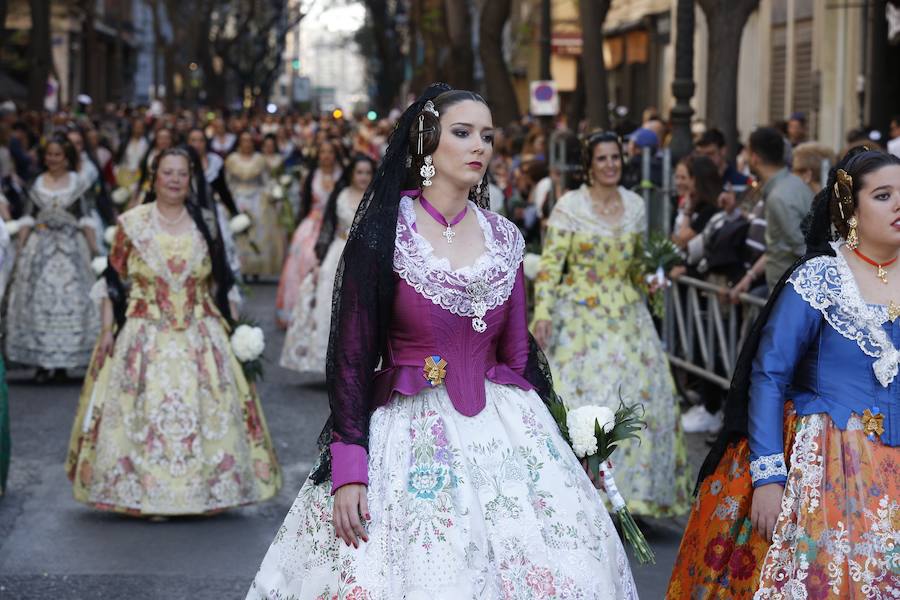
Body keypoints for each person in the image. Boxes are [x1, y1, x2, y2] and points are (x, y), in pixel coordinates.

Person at [246, 85, 637, 599]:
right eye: (463, 132)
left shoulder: (504, 238)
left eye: (487, 136)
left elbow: (518, 358)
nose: (480, 146)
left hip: (508, 432)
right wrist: (348, 469)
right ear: (426, 142)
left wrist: (566, 445)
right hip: (409, 433)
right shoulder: (385, 234)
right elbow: (352, 358)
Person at [668, 148, 900, 598]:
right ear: (849, 209)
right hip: (828, 467)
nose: (899, 206)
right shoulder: (821, 279)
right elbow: (769, 374)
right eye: (884, 195)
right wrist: (769, 478)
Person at [65, 147, 282, 516]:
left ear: (191, 178)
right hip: (144, 332)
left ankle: (206, 491)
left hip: (201, 330)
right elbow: (112, 282)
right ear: (154, 176)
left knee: (211, 410)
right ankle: (145, 493)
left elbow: (220, 283)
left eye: (182, 173)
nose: (175, 179)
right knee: (140, 413)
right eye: (168, 172)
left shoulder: (205, 223)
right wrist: (106, 331)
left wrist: (234, 331)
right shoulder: (132, 224)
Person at [531, 131, 691, 518]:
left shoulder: (635, 205)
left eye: (615, 158)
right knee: (585, 393)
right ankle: (580, 495)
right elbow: (551, 266)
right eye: (601, 159)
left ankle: (632, 497)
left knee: (641, 396)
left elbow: (637, 264)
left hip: (628, 313)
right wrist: (543, 312)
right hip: (581, 314)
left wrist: (652, 279)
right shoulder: (570, 205)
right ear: (588, 165)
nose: (610, 165)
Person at [4, 135, 99, 381]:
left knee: (73, 301)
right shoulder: (37, 183)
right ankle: (42, 363)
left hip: (70, 248)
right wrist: (22, 248)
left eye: (58, 155)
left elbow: (86, 217)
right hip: (41, 249)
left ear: (67, 158)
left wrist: (94, 250)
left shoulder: (78, 183)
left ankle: (63, 364)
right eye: (50, 155)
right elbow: (27, 216)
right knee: (37, 302)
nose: (53, 159)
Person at [280, 154, 374, 374]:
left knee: (361, 309)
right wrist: (319, 260)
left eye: (367, 172)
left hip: (366, 255)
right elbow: (327, 229)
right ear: (351, 173)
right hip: (337, 254)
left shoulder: (376, 197)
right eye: (359, 172)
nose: (363, 177)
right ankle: (330, 361)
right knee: (329, 304)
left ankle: (360, 363)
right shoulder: (339, 195)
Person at [275, 138, 343, 327]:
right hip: (312, 224)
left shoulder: (343, 177)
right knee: (305, 258)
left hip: (337, 225)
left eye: (330, 152)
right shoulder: (311, 176)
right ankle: (301, 311)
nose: (326, 156)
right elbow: (304, 204)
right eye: (323, 152)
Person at [225, 131, 285, 278]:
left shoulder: (259, 159)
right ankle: (240, 267)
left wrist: (273, 194)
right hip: (238, 198)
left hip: (257, 200)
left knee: (257, 233)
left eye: (250, 141)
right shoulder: (232, 160)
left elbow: (265, 181)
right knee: (239, 234)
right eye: (244, 141)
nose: (247, 144)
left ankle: (256, 268)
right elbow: (228, 182)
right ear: (239, 143)